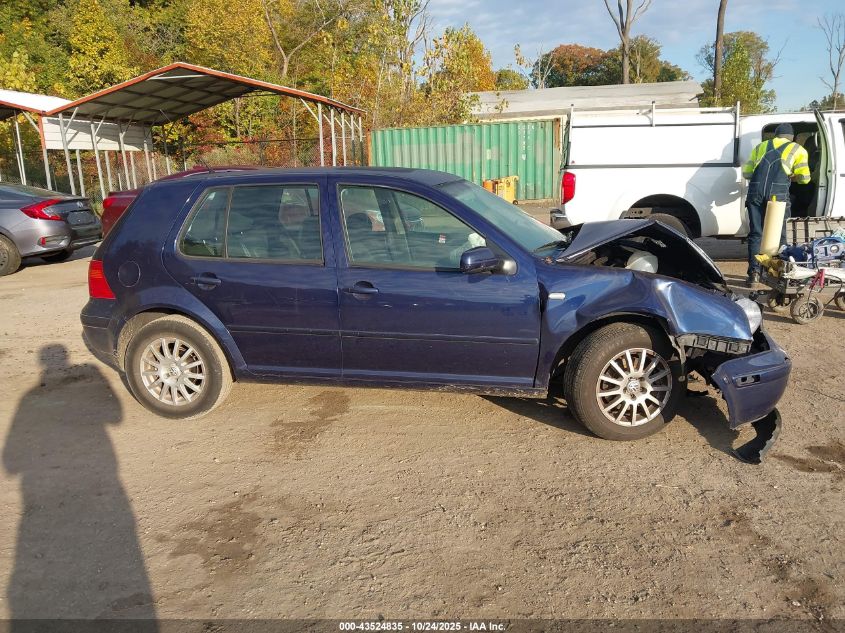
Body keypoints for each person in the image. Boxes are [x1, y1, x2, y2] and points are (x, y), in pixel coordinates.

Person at [742, 123, 811, 287]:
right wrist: (791, 176)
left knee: (756, 234)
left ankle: (754, 274)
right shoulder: (798, 149)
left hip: (755, 194)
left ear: (775, 135)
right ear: (792, 137)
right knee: (780, 235)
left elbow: (747, 173)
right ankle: (778, 274)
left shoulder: (761, 146)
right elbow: (805, 179)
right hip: (777, 196)